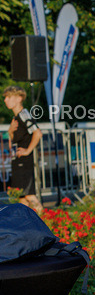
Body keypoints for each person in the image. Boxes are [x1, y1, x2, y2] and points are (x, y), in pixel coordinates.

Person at [3, 86, 43, 214]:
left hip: (24, 162)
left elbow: (37, 133)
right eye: (5, 97)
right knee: (22, 199)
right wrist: (10, 131)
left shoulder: (24, 114)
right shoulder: (15, 118)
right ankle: (25, 231)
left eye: (9, 97)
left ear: (19, 98)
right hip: (17, 161)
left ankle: (47, 221)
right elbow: (13, 141)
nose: (5, 100)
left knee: (29, 195)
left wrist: (27, 150)